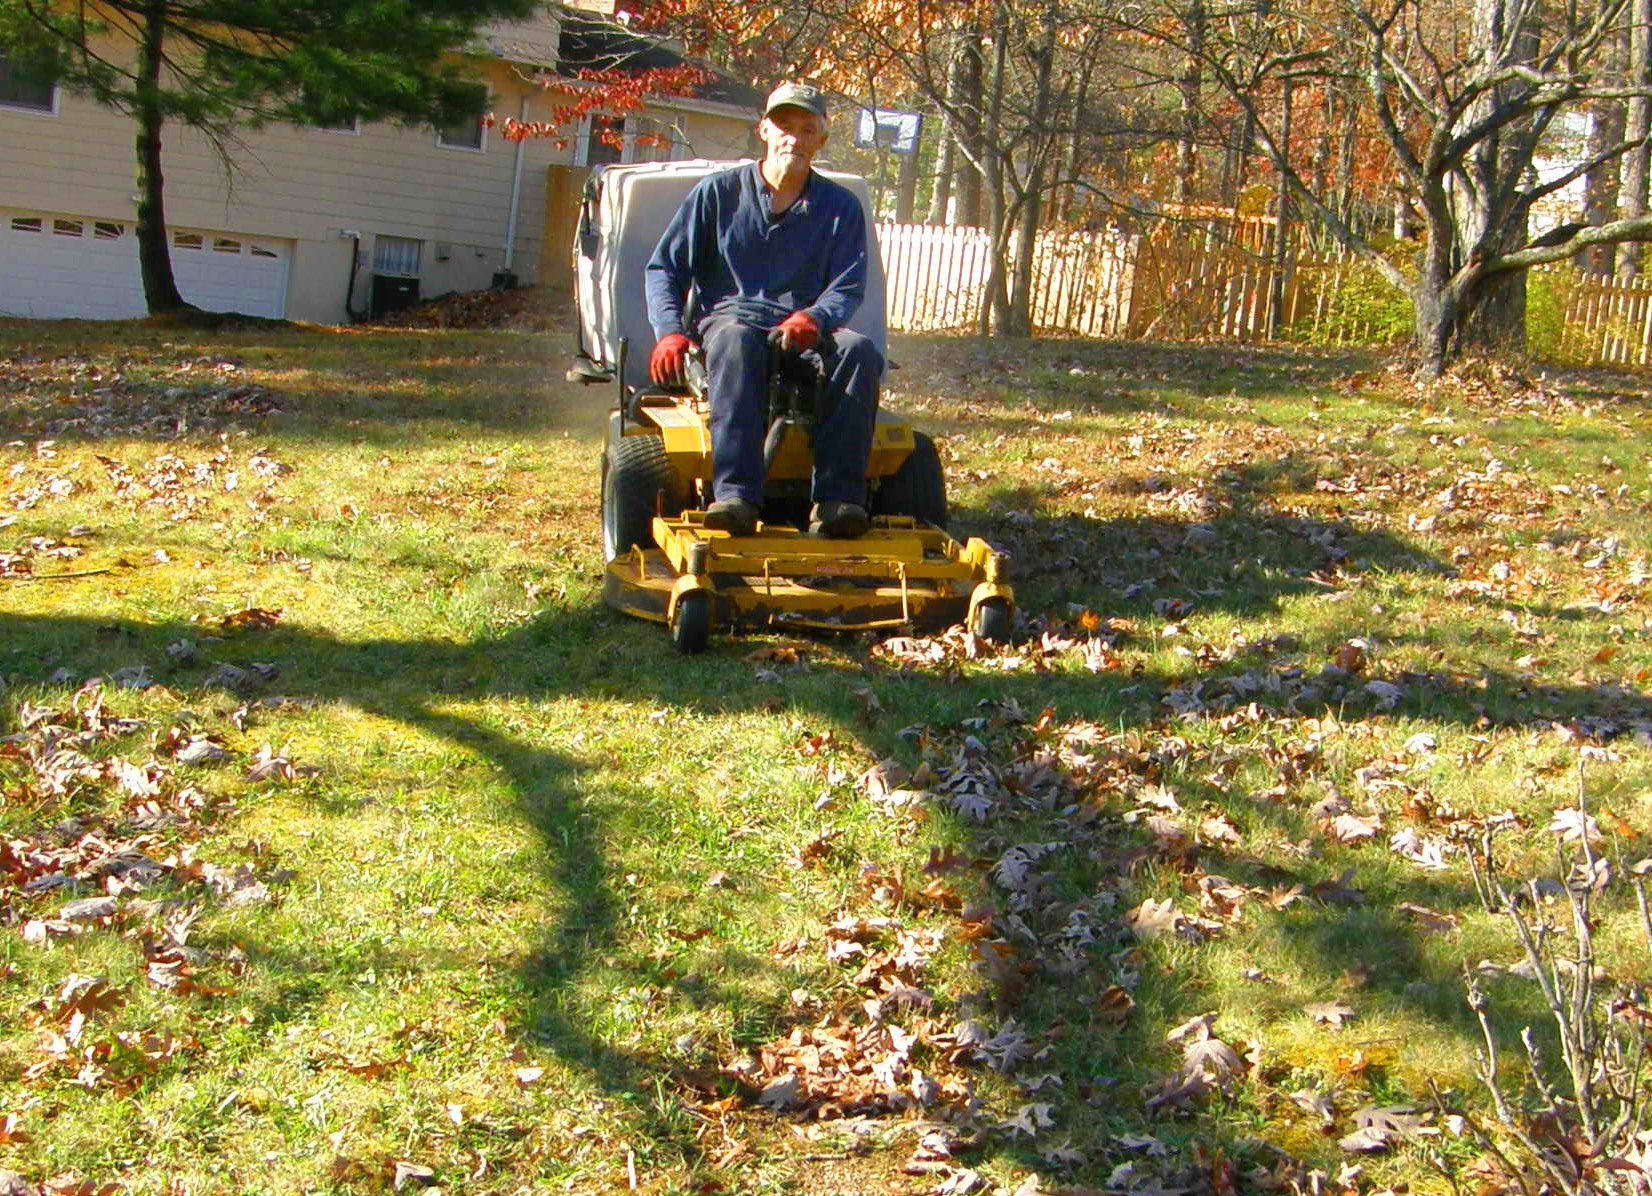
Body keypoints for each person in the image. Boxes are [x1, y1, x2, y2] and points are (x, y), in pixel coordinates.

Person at [644, 81, 882, 539]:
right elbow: (664, 269)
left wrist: (814, 318)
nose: (794, 137)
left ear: (821, 140)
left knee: (859, 351)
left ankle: (838, 501)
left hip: (805, 331)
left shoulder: (841, 209)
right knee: (734, 339)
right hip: (731, 323)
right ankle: (734, 497)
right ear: (765, 131)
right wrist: (670, 331)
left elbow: (847, 286)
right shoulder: (716, 195)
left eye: (807, 129)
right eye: (784, 126)